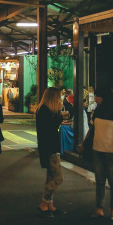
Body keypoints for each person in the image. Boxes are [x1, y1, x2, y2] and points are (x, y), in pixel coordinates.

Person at [89, 87, 113, 221]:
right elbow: (92, 129)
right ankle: (99, 208)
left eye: (96, 96)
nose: (95, 99)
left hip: (111, 152)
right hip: (97, 150)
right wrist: (85, 143)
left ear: (103, 97)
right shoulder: (97, 111)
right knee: (99, 181)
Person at [36, 87, 69, 217]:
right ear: (53, 98)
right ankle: (44, 202)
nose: (60, 99)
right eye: (59, 97)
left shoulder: (44, 109)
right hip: (50, 147)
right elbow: (49, 128)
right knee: (58, 177)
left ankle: (50, 204)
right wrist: (60, 116)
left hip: (49, 146)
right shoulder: (45, 111)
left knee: (50, 175)